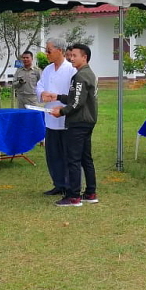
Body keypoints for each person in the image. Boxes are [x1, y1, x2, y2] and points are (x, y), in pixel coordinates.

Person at [45, 43, 98, 207]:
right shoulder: (89, 74)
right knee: (85, 158)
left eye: (75, 56)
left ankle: (73, 196)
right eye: (70, 55)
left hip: (78, 123)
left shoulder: (80, 76)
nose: (71, 58)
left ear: (85, 57)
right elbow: (76, 97)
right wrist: (59, 96)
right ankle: (90, 193)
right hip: (87, 121)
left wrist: (61, 112)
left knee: (73, 160)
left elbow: (76, 103)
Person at [36, 38, 75, 197]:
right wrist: (42, 93)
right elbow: (40, 85)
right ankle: (58, 183)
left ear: (60, 50)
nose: (46, 54)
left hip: (66, 117)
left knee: (67, 153)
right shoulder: (47, 69)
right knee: (52, 154)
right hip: (50, 117)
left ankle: (70, 184)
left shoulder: (71, 69)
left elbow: (75, 95)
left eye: (49, 50)